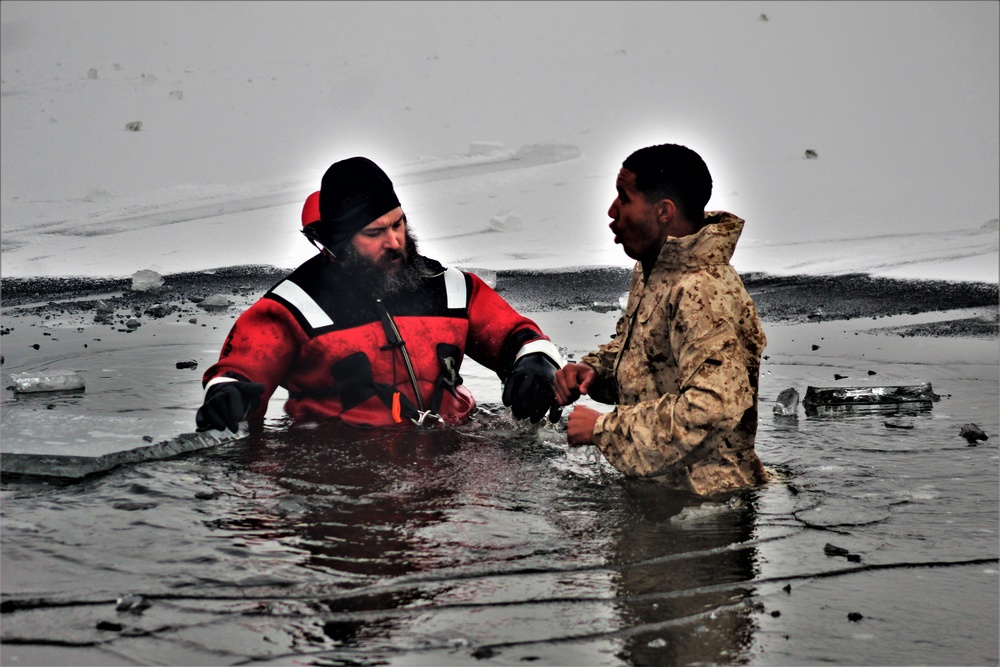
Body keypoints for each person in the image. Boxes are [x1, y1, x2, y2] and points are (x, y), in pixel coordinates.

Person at [196, 156, 564, 431]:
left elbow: (519, 335)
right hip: (338, 479)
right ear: (339, 244)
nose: (395, 242)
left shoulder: (452, 288)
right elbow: (241, 371)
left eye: (398, 223)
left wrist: (536, 362)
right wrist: (224, 393)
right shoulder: (293, 307)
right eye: (374, 233)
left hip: (450, 469)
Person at [553, 143, 768, 496]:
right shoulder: (656, 269)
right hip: (662, 493)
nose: (611, 211)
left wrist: (604, 430)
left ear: (664, 211)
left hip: (707, 507)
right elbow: (646, 357)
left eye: (624, 197)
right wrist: (595, 372)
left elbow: (709, 410)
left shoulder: (702, 292)